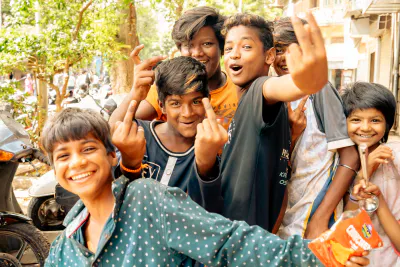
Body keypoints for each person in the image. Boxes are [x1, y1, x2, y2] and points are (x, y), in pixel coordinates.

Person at [41, 107, 369, 267]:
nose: (78, 163)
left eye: (87, 149)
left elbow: (231, 243)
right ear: (56, 171)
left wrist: (318, 255)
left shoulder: (145, 199)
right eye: (63, 156)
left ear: (112, 155)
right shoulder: (63, 248)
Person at [188, 12, 328, 234]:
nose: (234, 55)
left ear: (269, 56)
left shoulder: (260, 89)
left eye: (246, 47)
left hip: (242, 245)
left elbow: (278, 87)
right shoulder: (247, 103)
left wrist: (308, 81)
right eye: (229, 48)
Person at [272, 17, 360, 240]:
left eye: (295, 49)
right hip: (287, 209)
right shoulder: (275, 93)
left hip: (315, 209)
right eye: (279, 50)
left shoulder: (319, 90)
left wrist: (321, 216)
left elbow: (349, 156)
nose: (285, 58)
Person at [109, 6, 237, 130]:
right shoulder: (168, 85)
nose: (197, 53)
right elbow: (114, 129)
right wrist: (136, 93)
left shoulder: (240, 85)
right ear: (180, 49)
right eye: (188, 45)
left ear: (222, 47)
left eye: (207, 44)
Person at [112, 56, 212, 200]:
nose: (187, 113)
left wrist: (207, 163)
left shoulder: (208, 150)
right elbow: (109, 137)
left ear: (208, 100)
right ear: (161, 105)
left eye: (196, 102)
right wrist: (135, 94)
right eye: (176, 103)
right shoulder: (138, 135)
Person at [342, 81, 400, 267]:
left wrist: (378, 199)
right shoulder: (339, 164)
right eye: (356, 120)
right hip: (359, 259)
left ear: (388, 123)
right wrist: (362, 174)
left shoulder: (394, 159)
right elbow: (346, 225)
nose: (365, 127)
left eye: (375, 120)